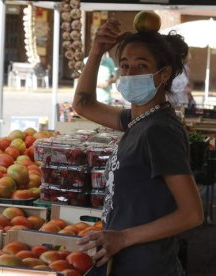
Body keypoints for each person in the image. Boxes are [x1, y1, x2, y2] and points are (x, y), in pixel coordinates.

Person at [72, 18, 203, 275]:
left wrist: (123, 238)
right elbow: (83, 104)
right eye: (124, 66)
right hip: (126, 264)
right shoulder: (138, 121)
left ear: (163, 74)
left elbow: (192, 213)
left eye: (141, 66)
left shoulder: (158, 132)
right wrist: (97, 50)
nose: (130, 74)